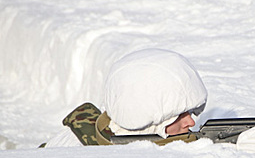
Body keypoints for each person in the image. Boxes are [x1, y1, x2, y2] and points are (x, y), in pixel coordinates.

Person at [43, 48, 207, 147]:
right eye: (179, 115)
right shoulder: (75, 155)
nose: (191, 122)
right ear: (147, 122)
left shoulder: (120, 136)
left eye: (191, 112)